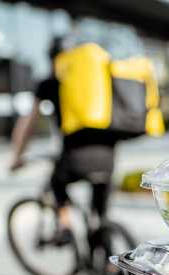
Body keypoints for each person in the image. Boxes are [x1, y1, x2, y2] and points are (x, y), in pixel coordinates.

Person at [10, 38, 118, 242]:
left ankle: (65, 225)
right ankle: (108, 265)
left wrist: (16, 156)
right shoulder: (99, 80)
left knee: (55, 182)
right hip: (108, 154)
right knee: (99, 219)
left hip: (75, 157)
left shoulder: (50, 82)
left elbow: (28, 124)